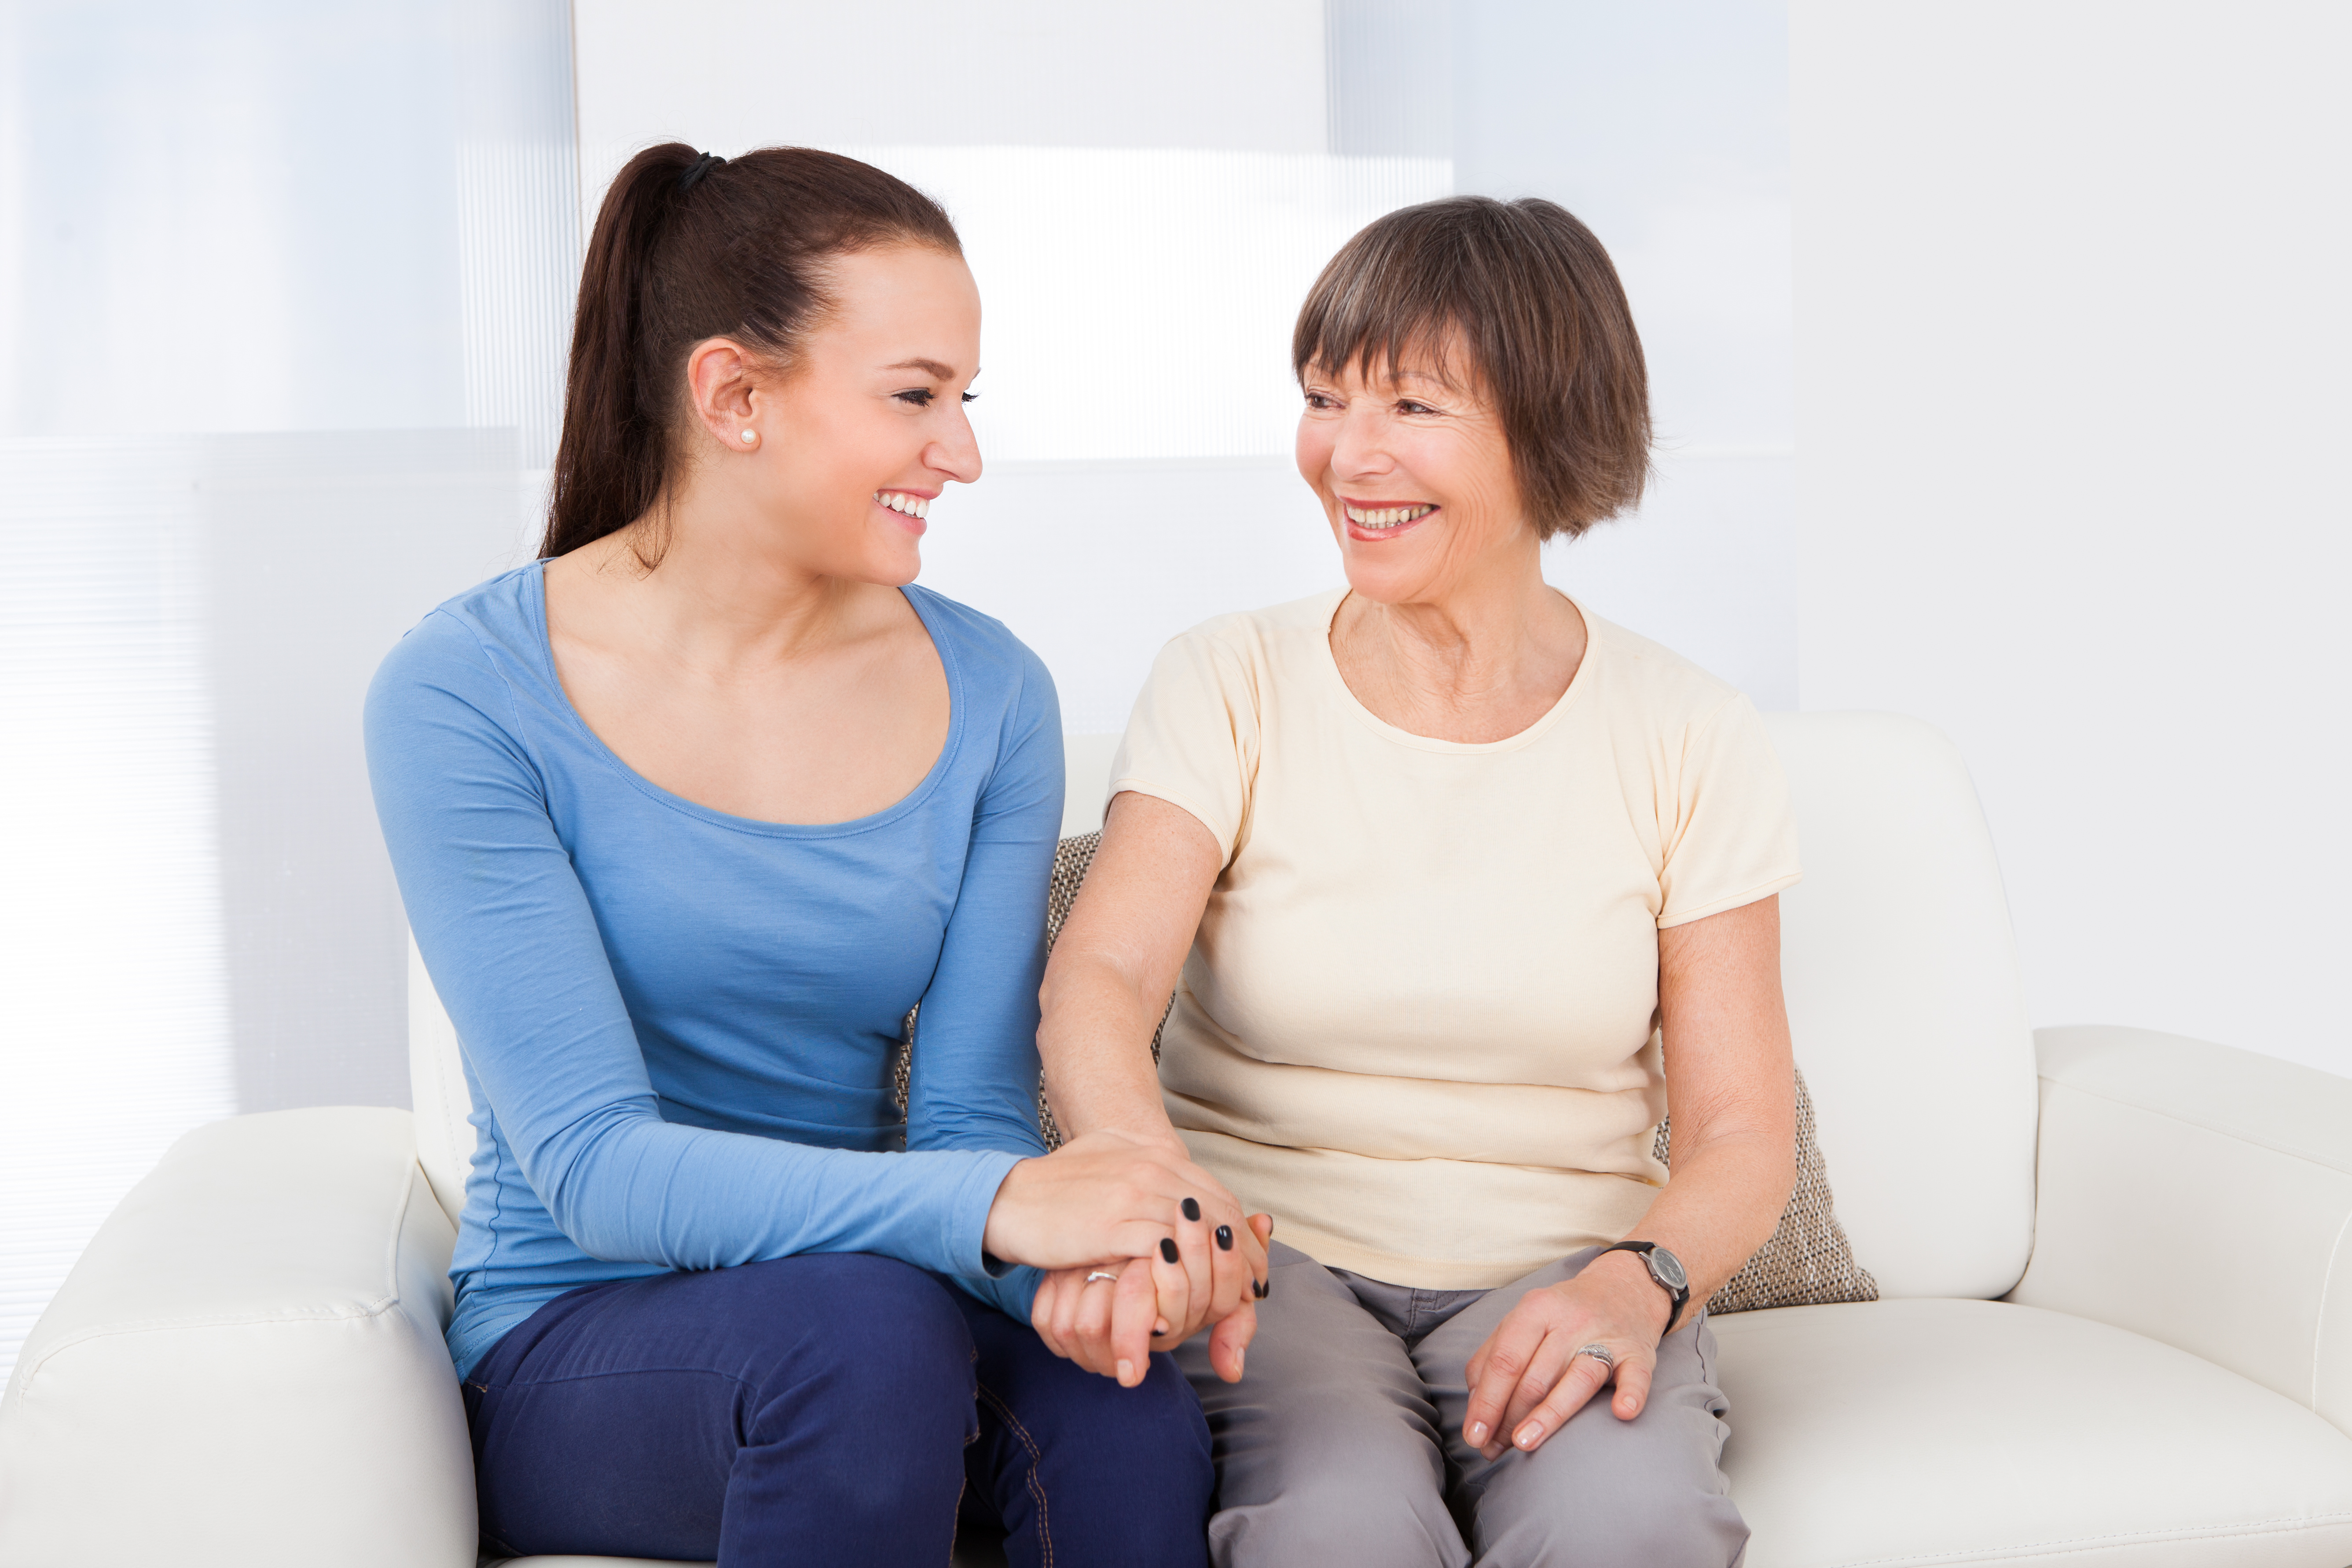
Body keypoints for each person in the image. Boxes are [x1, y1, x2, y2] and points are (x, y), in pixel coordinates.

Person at [365, 143, 1265, 1568]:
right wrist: (1007, 1206)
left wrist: (1070, 1278)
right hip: (587, 1332)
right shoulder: (464, 691)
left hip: (883, 1307)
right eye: (915, 397)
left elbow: (967, 1113)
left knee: (1120, 1401)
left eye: (965, 400)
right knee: (863, 1334)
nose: (961, 451)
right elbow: (597, 1167)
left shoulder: (993, 695)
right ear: (734, 395)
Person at [1037, 195, 1802, 1566]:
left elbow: (1741, 1130)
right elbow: (1098, 979)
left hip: (1566, 1272)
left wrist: (1641, 1282)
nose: (1348, 453)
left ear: (1551, 424)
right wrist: (1154, 1183)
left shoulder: (1691, 731)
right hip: (1281, 1268)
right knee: (1335, 1529)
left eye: (1411, 404)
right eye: (1326, 397)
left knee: (1631, 1524)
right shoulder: (1229, 678)